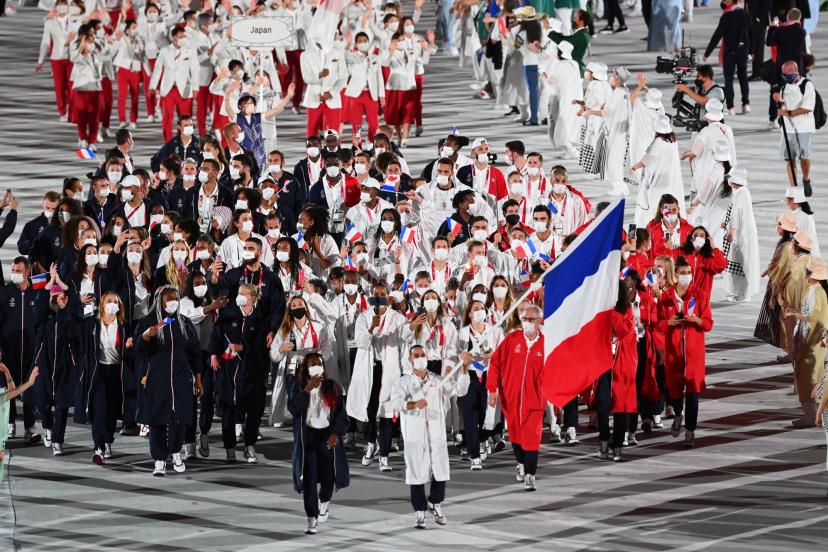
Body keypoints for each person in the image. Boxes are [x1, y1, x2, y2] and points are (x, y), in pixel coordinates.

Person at [391, 345, 469, 528]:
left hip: (436, 431)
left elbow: (461, 390)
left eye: (422, 355)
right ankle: (419, 511)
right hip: (415, 434)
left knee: (440, 470)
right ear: (410, 360)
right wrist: (413, 404)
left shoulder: (437, 381)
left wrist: (464, 368)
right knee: (417, 472)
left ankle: (435, 502)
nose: (420, 358)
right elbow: (395, 403)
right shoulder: (403, 382)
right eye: (416, 355)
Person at [134, 286, 203, 476]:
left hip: (181, 379)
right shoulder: (148, 322)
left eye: (175, 298)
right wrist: (146, 336)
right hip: (157, 379)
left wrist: (198, 377)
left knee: (180, 420)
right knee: (157, 420)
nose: (172, 301)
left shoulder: (184, 322)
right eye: (168, 299)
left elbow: (195, 352)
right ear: (159, 301)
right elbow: (139, 351)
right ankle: (159, 460)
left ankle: (175, 452)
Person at [287, 353, 350, 535]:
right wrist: (307, 389)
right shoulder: (298, 386)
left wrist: (336, 433)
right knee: (309, 479)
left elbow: (341, 415)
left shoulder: (332, 387)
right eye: (312, 364)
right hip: (308, 437)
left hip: (326, 435)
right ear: (305, 368)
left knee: (329, 477)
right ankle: (311, 518)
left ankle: (325, 500)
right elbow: (294, 409)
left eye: (319, 363)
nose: (317, 366)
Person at [657, 256, 714, 448]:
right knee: (674, 391)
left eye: (689, 273)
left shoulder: (700, 295)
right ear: (676, 275)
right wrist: (669, 323)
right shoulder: (666, 298)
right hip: (674, 353)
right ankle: (678, 414)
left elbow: (708, 324)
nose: (686, 276)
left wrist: (697, 320)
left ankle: (690, 430)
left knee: (692, 394)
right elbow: (658, 324)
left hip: (694, 354)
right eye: (683, 273)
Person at [487, 304, 546, 490]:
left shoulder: (546, 344)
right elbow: (495, 363)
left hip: (535, 400)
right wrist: (492, 389)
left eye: (531, 320)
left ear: (539, 322)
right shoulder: (512, 340)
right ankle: (521, 463)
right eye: (525, 319)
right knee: (517, 436)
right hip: (511, 398)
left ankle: (530, 474)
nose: (527, 323)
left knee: (532, 437)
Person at [786, 256, 828, 428]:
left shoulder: (818, 293)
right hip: (807, 339)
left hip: (814, 342)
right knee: (805, 376)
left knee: (809, 378)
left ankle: (811, 416)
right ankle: (810, 414)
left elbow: (814, 318)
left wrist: (795, 314)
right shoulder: (812, 290)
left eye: (808, 272)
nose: (806, 275)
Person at [631, 118, 685, 227]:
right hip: (667, 178)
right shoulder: (672, 140)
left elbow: (647, 160)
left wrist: (633, 168)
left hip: (657, 179)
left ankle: (651, 225)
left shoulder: (659, 142)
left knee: (653, 203)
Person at [149, 27, 200, 142]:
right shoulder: (164, 50)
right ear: (174, 38)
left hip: (184, 89)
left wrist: (196, 88)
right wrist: (152, 86)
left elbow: (195, 70)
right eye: (181, 37)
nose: (183, 39)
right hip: (168, 89)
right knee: (167, 117)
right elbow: (158, 68)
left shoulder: (189, 51)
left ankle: (184, 142)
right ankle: (167, 142)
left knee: (185, 118)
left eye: (184, 36)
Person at [703, 0, 752, 115]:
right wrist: (751, 50)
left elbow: (717, 35)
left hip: (730, 51)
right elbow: (751, 33)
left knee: (729, 79)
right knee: (743, 78)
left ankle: (731, 107)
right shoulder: (744, 13)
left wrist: (707, 53)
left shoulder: (727, 15)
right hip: (743, 49)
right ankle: (746, 104)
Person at [774, 60, 816, 195]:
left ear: (793, 71)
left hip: (803, 127)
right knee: (789, 159)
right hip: (788, 129)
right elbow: (782, 109)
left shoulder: (807, 85)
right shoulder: (783, 87)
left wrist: (788, 113)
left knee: (804, 157)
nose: (783, 76)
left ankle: (806, 178)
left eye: (786, 73)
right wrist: (778, 102)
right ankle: (794, 189)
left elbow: (808, 108)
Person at [721, 167, 761, 302]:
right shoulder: (740, 192)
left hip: (741, 234)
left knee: (742, 261)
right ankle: (739, 291)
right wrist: (726, 223)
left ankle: (744, 293)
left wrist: (732, 230)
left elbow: (737, 214)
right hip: (739, 232)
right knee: (738, 262)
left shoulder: (741, 194)